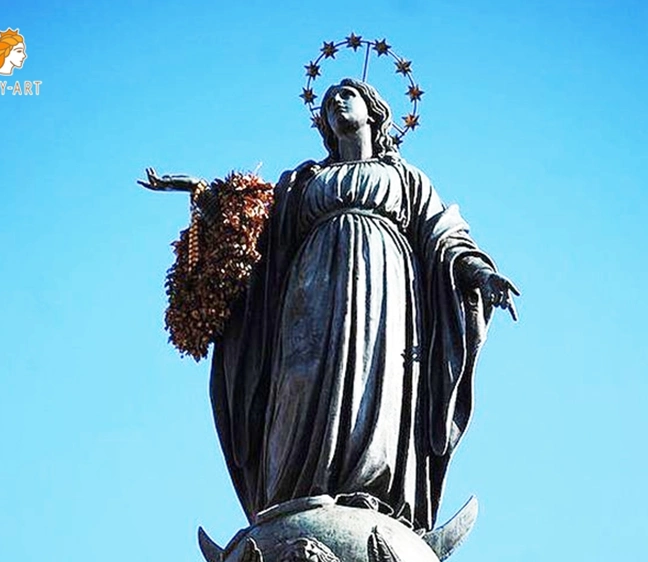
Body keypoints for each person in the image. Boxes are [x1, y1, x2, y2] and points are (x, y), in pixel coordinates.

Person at [140, 78, 518, 531]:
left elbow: (444, 236)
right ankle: (295, 488)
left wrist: (479, 273)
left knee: (375, 380)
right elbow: (257, 237)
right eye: (328, 100)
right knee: (299, 378)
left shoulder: (405, 179)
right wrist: (205, 194)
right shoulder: (303, 181)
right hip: (309, 289)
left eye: (347, 95)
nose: (336, 102)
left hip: (386, 289)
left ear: (374, 112)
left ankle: (370, 488)